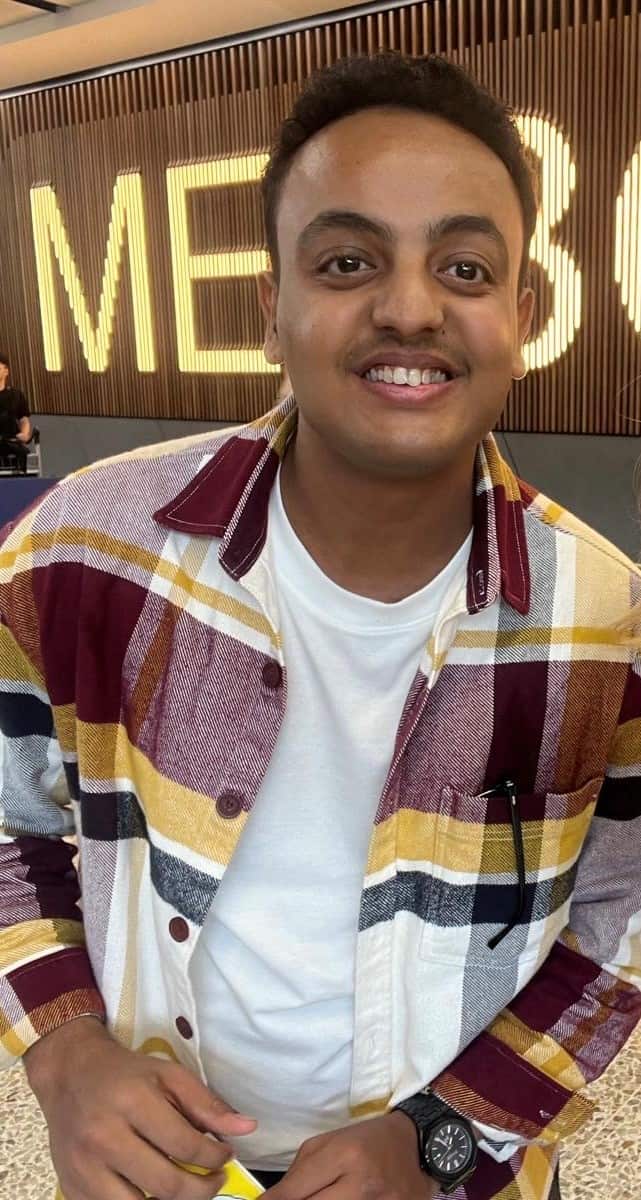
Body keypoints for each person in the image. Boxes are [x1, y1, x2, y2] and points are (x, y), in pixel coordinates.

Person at [0, 52, 639, 1200]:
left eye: (462, 265)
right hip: (150, 1170)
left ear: (522, 315)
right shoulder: (84, 550)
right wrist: (62, 1051)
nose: (406, 307)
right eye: (346, 261)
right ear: (272, 308)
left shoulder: (604, 623)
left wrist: (443, 1136)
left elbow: (620, 920)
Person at [0, 351, 32, 473]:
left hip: (11, 441)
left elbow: (23, 418)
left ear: (6, 371)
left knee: (23, 452)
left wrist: (24, 433)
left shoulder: (16, 395)